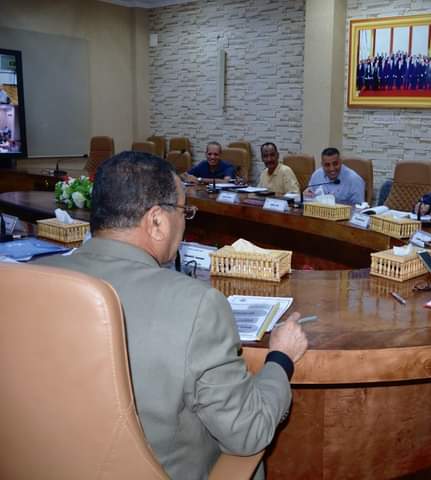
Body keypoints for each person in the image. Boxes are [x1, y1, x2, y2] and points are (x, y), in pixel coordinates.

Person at [37, 151, 309, 480]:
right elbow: (248, 432)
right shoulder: (197, 306)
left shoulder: (31, 277)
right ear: (157, 221)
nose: (185, 221)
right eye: (183, 211)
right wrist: (281, 358)